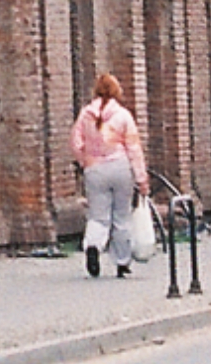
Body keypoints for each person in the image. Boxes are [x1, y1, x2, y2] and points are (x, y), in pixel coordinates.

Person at [71, 72, 144, 279]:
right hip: (120, 168)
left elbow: (76, 142)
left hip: (95, 170)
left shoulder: (86, 115)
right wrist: (141, 178)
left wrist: (84, 161)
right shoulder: (123, 115)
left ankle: (93, 245)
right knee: (122, 215)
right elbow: (133, 148)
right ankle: (122, 262)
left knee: (98, 215)